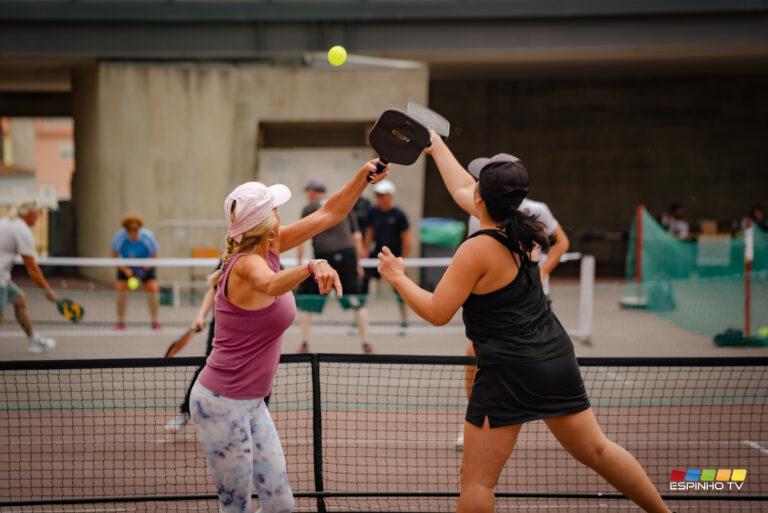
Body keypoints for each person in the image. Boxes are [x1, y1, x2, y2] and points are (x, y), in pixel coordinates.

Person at [376, 132, 672, 513]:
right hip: (555, 358)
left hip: (506, 371)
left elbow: (437, 312)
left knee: (477, 482)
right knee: (599, 449)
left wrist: (397, 276)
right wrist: (434, 145)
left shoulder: (476, 249)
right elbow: (461, 188)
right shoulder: (526, 227)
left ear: (481, 198)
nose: (471, 190)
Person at [189, 160, 388, 513]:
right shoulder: (248, 264)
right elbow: (268, 283)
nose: (281, 213)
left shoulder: (270, 245)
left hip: (252, 402)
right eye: (276, 209)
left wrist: (361, 177)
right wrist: (310, 266)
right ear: (265, 221)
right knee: (235, 506)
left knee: (281, 504)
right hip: (220, 403)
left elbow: (329, 213)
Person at [459, 153, 571, 448]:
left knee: (516, 368)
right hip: (492, 310)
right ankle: (477, 418)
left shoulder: (535, 212)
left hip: (526, 307)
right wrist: (434, 145)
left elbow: (562, 242)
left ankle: (498, 421)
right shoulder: (477, 215)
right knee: (475, 357)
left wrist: (542, 270)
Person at [295, 180, 372, 354]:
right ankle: (366, 343)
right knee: (357, 300)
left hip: (324, 259)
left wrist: (300, 266)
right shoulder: (342, 203)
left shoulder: (310, 207)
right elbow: (357, 236)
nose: (308, 195)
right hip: (348, 256)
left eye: (309, 192)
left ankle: (305, 343)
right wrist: (358, 264)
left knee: (307, 300)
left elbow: (300, 238)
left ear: (313, 192)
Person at [0, 201, 57, 353]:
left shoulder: (5, 222)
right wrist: (47, 290)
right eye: (38, 213)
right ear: (29, 213)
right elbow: (31, 268)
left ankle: (33, 340)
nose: (39, 217)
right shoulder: (22, 230)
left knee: (20, 299)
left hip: (3, 277)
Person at [363, 180, 410, 334]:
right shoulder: (373, 212)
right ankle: (358, 321)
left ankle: (404, 320)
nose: (379, 198)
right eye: (377, 195)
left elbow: (406, 239)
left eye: (382, 195)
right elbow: (370, 234)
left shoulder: (399, 214)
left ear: (390, 196)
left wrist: (404, 260)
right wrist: (364, 253)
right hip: (376, 256)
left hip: (395, 258)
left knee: (400, 289)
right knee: (362, 285)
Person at [110, 213, 161, 330]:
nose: (133, 232)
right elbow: (113, 256)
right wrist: (124, 269)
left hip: (145, 265)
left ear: (139, 228)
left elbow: (155, 255)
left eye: (136, 229)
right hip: (126, 265)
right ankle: (120, 321)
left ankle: (155, 321)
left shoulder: (147, 237)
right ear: (126, 230)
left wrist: (146, 266)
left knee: (153, 288)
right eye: (130, 229)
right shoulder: (119, 238)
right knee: (120, 288)